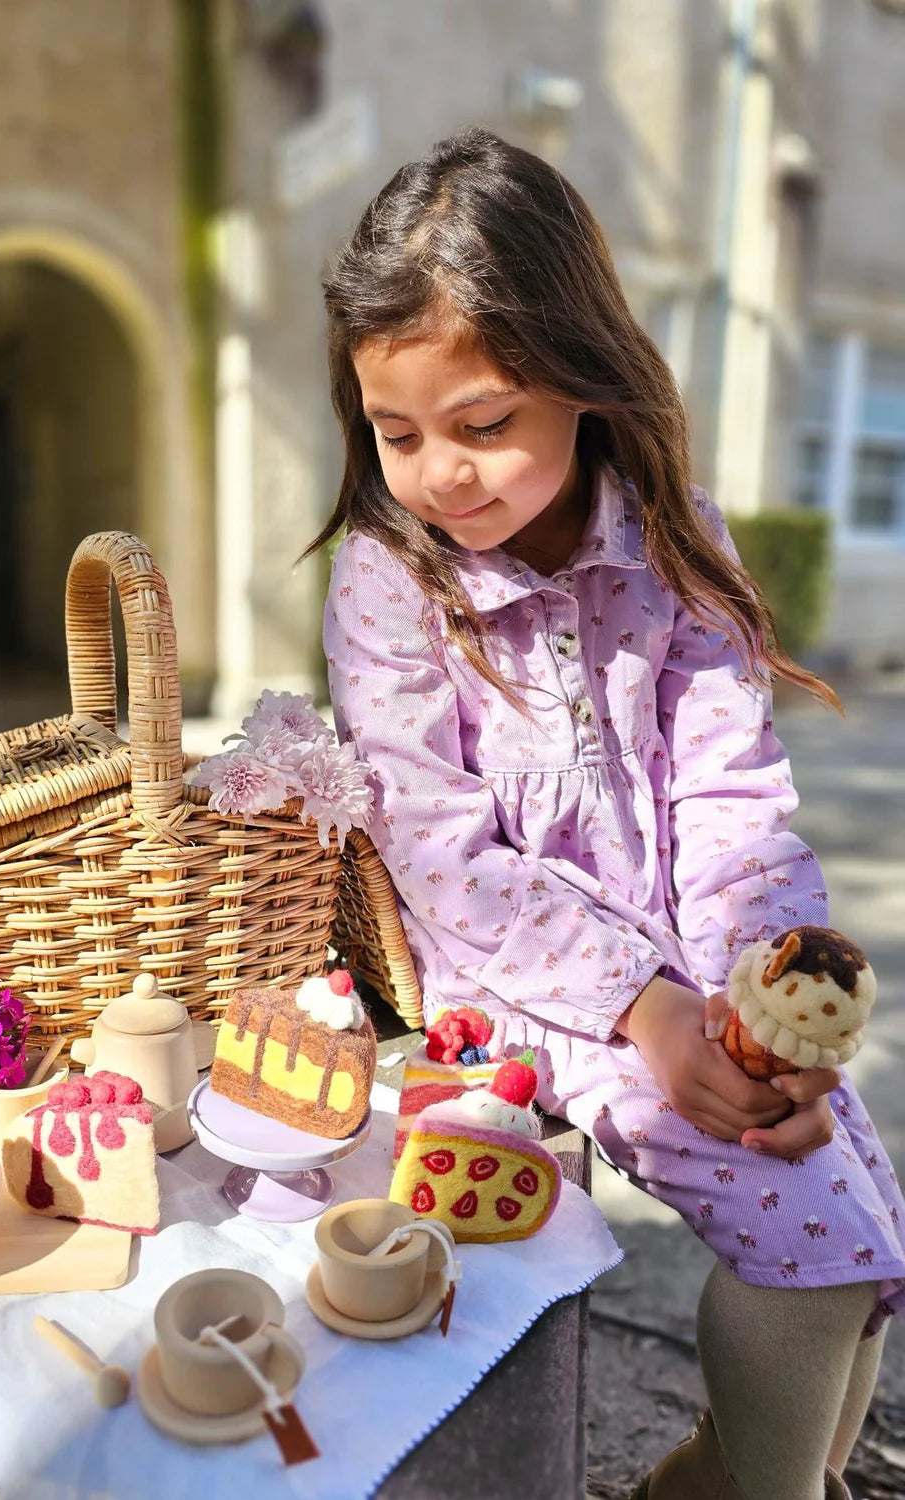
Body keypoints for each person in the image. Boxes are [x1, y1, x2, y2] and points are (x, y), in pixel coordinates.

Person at [314, 128, 903, 1500]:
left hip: (699, 971)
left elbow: (729, 796)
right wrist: (651, 1011)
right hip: (532, 988)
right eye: (398, 434)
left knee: (862, 1220)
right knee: (812, 1241)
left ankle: (730, 1484)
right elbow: (448, 865)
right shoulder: (390, 584)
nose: (440, 474)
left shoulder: (672, 540)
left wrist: (761, 1005)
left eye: (483, 425)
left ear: (582, 379)